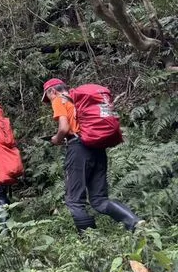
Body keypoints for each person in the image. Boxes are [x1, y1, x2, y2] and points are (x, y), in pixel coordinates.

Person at [42, 78, 144, 233]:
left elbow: (63, 127)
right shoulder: (77, 100)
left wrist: (56, 139)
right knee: (99, 200)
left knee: (74, 201)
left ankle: (90, 239)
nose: (49, 101)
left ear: (52, 91)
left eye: (48, 97)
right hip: (97, 148)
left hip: (78, 149)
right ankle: (135, 223)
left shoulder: (59, 99)